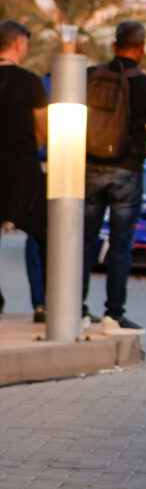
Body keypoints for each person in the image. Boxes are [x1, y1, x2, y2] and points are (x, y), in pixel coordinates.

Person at [82, 20, 146, 335]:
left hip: (89, 166)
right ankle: (113, 315)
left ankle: (76, 309)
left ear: (115, 45)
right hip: (127, 170)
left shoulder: (91, 75)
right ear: (141, 48)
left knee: (85, 241)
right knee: (120, 245)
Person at [0, 20, 48, 319]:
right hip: (22, 168)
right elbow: (43, 128)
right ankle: (42, 302)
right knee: (43, 234)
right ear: (18, 44)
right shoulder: (30, 81)